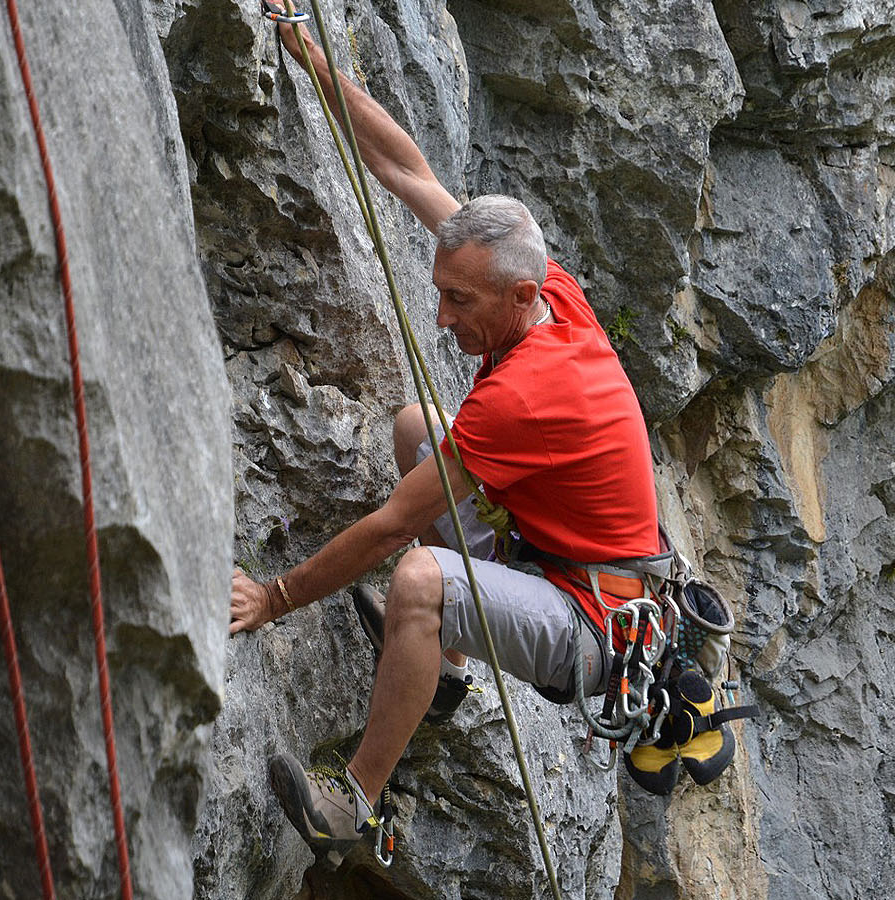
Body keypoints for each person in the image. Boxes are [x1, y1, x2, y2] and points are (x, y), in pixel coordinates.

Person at [228, 10, 660, 853]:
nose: (441, 316)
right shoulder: (549, 295)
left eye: (460, 302)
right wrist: (312, 58)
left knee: (421, 578)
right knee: (414, 425)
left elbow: (395, 526)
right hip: (555, 555)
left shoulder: (528, 395)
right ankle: (447, 676)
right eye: (443, 291)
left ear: (520, 297)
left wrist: (274, 598)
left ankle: (357, 804)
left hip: (593, 621)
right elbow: (403, 166)